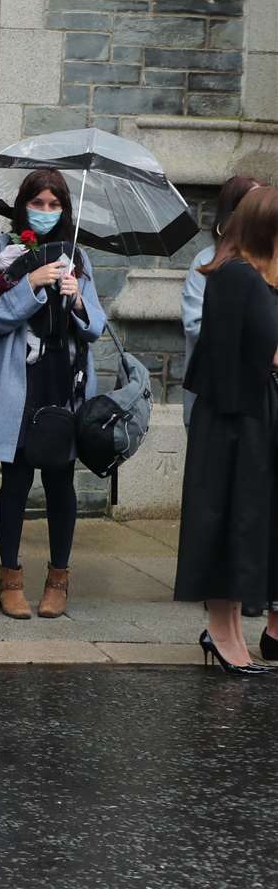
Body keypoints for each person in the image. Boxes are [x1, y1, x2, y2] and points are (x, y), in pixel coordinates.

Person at [0, 169, 107, 620]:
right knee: (14, 480)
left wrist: (76, 299)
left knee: (59, 481)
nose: (46, 212)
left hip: (64, 378)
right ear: (24, 205)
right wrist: (31, 285)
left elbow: (97, 327)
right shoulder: (1, 252)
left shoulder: (78, 257)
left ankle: (58, 578)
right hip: (21, 379)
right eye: (39, 203)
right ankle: (9, 577)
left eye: (55, 205)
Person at [173, 188, 278, 672]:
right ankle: (221, 631)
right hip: (231, 421)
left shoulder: (255, 278)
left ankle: (232, 631)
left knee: (243, 526)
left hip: (250, 415)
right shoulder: (236, 277)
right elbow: (235, 356)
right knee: (224, 523)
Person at [181, 175, 260, 425]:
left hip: (259, 399)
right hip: (214, 392)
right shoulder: (205, 263)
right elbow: (195, 325)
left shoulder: (269, 266)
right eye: (252, 204)